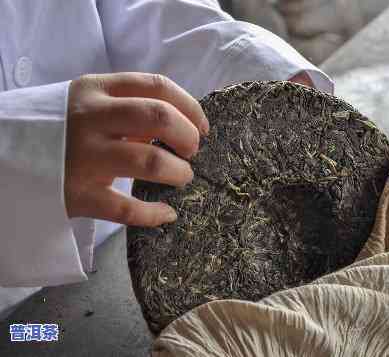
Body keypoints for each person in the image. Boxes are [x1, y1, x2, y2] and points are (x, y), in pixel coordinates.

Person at [0, 0, 333, 319]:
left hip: (116, 254)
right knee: (37, 336)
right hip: (19, 316)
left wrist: (253, 74)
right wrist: (26, 149)